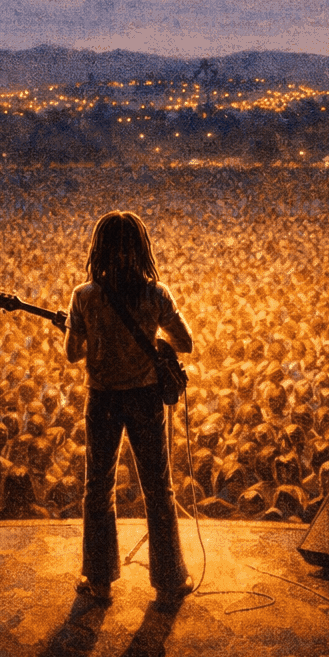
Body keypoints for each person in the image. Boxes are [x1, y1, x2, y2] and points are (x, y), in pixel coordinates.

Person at [65, 210, 194, 605]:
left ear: (97, 248)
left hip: (102, 398)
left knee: (98, 487)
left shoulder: (84, 295)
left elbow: (73, 354)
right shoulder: (156, 294)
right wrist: (152, 339)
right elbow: (185, 343)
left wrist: (88, 332)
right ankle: (170, 581)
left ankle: (99, 580)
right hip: (145, 398)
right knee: (158, 488)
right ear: (142, 248)